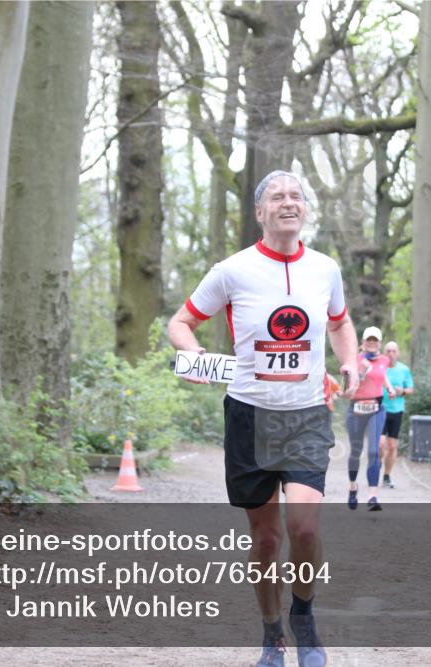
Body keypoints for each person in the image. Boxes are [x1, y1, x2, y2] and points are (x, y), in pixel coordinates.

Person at [168, 170, 359, 667]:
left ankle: (305, 618)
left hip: (306, 416)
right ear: (260, 212)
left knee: (306, 528)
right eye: (277, 197)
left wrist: (351, 360)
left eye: (296, 196)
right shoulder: (232, 270)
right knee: (267, 537)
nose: (288, 203)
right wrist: (194, 361)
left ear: (305, 209)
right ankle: (272, 633)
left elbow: (340, 323)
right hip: (250, 414)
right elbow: (181, 322)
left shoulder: (325, 269)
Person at [346, 326, 395, 512]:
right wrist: (361, 372)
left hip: (376, 409)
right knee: (356, 451)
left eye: (375, 340)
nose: (372, 343)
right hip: (356, 409)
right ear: (363, 342)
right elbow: (347, 387)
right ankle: (352, 486)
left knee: (375, 451)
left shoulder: (384, 360)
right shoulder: (354, 360)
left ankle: (372, 495)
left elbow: (381, 377)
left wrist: (389, 388)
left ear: (380, 342)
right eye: (369, 340)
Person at [379, 341, 414, 488]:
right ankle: (377, 464)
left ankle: (386, 476)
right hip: (379, 409)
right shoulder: (379, 367)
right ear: (384, 353)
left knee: (392, 446)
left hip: (396, 410)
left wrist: (403, 391)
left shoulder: (404, 370)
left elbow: (411, 389)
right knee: (380, 444)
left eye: (394, 351)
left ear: (398, 353)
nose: (391, 354)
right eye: (388, 351)